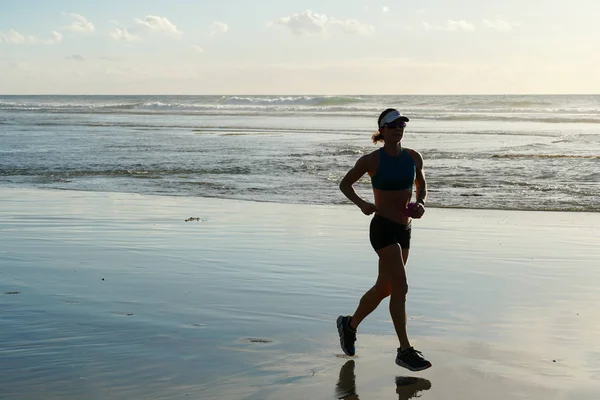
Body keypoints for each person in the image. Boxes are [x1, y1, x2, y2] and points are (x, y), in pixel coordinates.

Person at [336, 108, 432, 371]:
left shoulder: (414, 157)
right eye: (392, 125)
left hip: (405, 229)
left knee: (385, 288)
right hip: (382, 228)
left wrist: (421, 203)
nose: (398, 129)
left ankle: (349, 324)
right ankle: (404, 350)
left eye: (401, 125)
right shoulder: (371, 160)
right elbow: (345, 184)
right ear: (382, 130)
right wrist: (362, 204)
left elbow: (422, 184)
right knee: (400, 286)